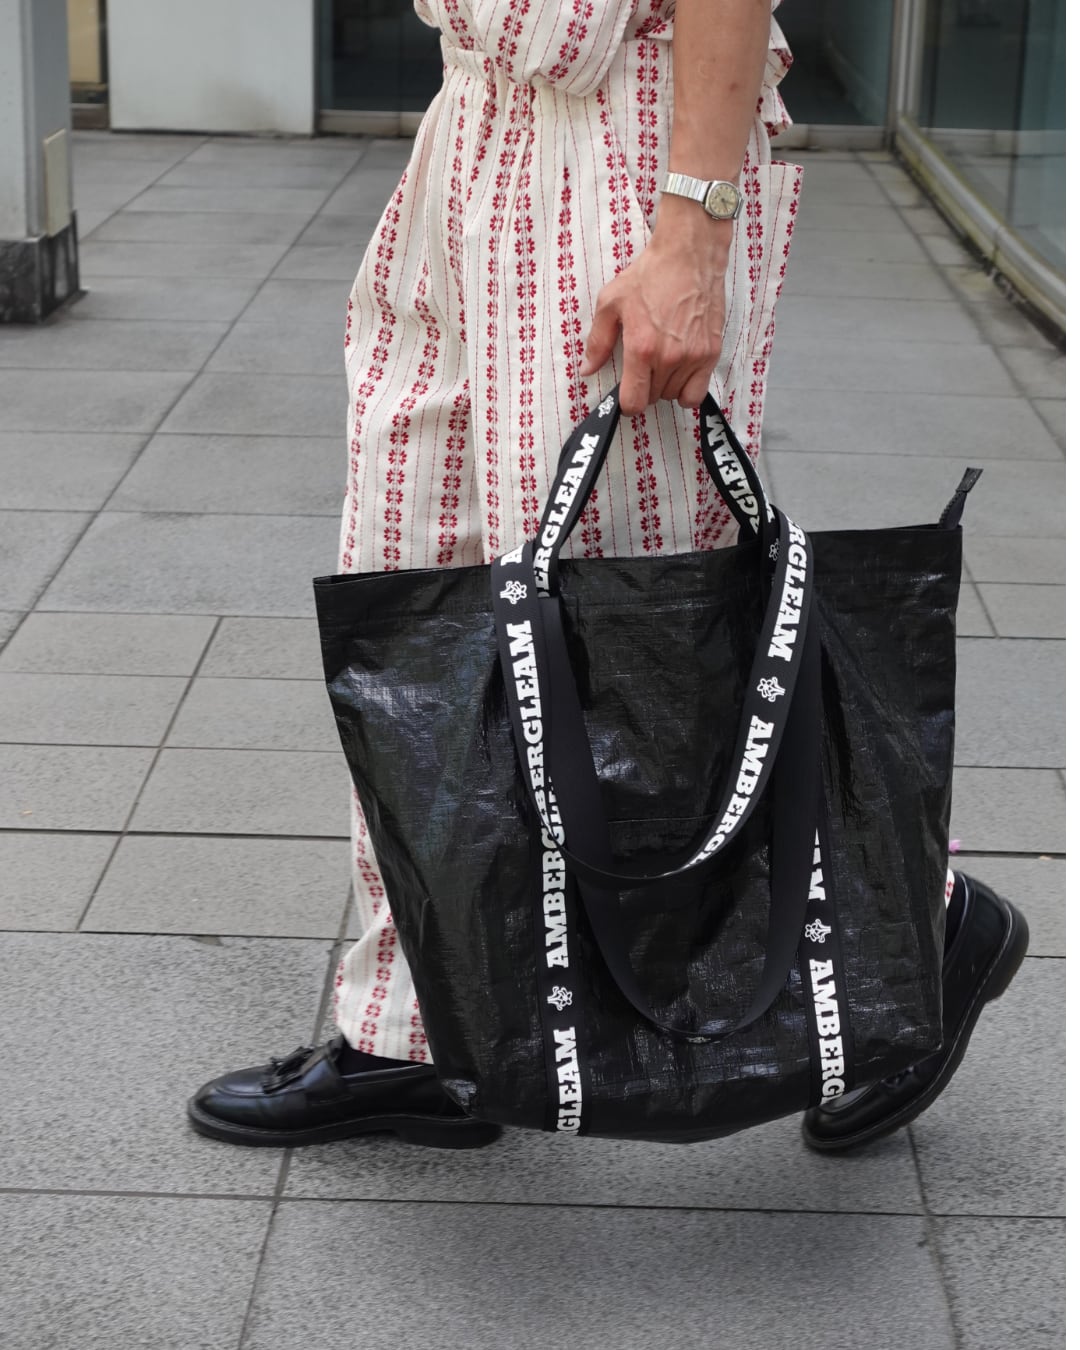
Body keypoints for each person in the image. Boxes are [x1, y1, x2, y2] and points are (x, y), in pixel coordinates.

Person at [187, 0, 1027, 1154]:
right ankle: (420, 1030)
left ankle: (923, 925)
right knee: (414, 593)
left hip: (626, 150)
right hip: (474, 119)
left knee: (642, 625)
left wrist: (692, 231)